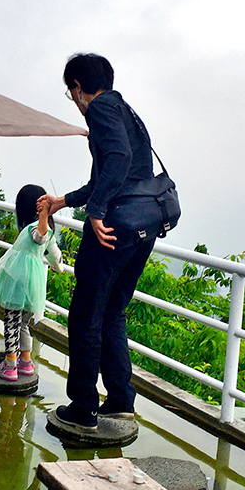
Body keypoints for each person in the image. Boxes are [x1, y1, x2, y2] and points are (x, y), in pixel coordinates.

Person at [39, 53, 156, 433]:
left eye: (70, 91)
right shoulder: (124, 109)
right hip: (142, 226)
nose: (72, 99)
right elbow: (111, 174)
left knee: (85, 314)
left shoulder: (100, 109)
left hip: (113, 230)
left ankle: (84, 407)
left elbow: (118, 161)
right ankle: (120, 401)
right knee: (111, 312)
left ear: (76, 87)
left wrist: (96, 212)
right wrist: (66, 201)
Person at [0, 184, 62, 381]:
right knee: (24, 323)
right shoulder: (47, 232)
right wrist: (59, 266)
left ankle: (10, 364)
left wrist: (43, 215)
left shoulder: (35, 228)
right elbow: (54, 253)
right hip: (33, 282)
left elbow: (40, 236)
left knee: (11, 320)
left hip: (18, 279)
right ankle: (26, 363)